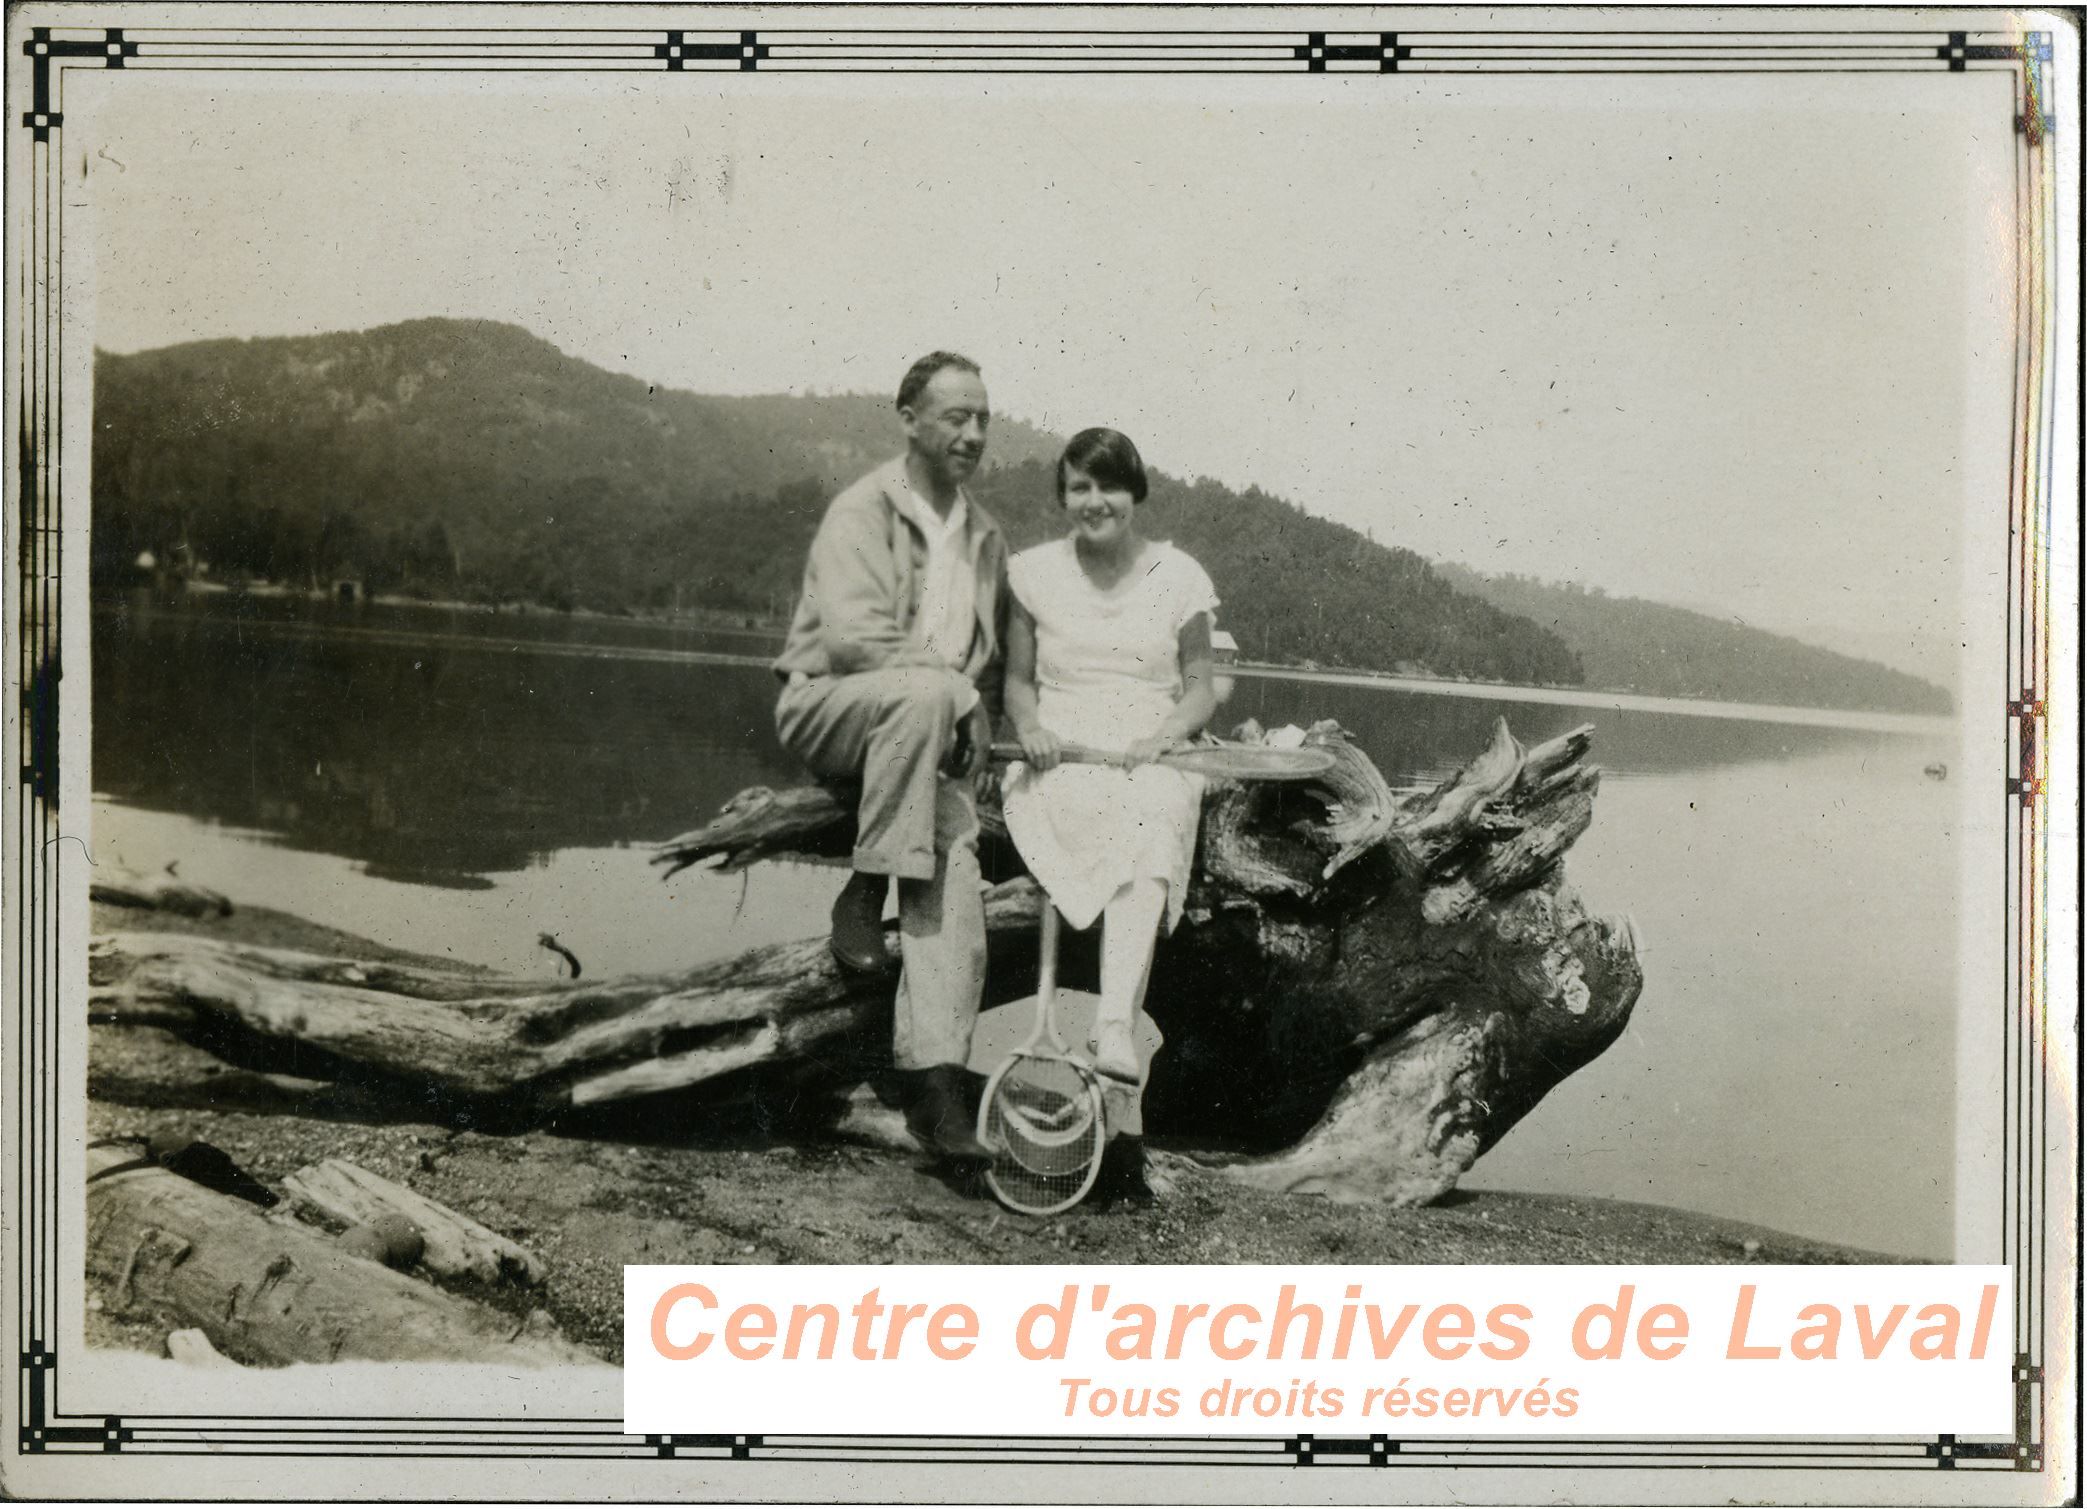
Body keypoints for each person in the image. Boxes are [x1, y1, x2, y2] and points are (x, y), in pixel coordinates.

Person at [772, 352, 1008, 1170]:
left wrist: (977, 712)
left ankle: (934, 1088)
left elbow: (991, 669)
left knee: (958, 853)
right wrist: (957, 693)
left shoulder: (983, 539)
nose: (973, 434)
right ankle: (864, 890)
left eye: (982, 418)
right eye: (955, 417)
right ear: (908, 418)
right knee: (921, 693)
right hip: (832, 710)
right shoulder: (862, 509)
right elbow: (852, 638)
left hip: (920, 747)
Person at [1001, 428, 1220, 1205]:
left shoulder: (1178, 574)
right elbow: (1019, 685)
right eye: (1078, 488)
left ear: (1135, 494)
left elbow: (1199, 684)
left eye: (1109, 487)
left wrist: (1165, 734)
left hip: (1149, 747)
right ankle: (1115, 1051)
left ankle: (1113, 1029)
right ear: (1062, 498)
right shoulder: (1030, 574)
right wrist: (1029, 728)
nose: (1093, 502)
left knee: (1157, 806)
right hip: (1062, 751)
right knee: (1112, 810)